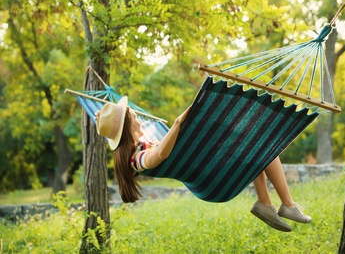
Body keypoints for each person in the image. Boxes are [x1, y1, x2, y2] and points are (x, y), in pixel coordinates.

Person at [95, 96, 311, 232]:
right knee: (265, 149)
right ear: (127, 128)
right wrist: (179, 123)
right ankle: (288, 205)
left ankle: (265, 203)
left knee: (255, 147)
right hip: (211, 182)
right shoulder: (137, 159)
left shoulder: (142, 144)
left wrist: (106, 116)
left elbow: (158, 147)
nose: (140, 121)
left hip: (209, 174)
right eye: (135, 118)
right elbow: (159, 155)